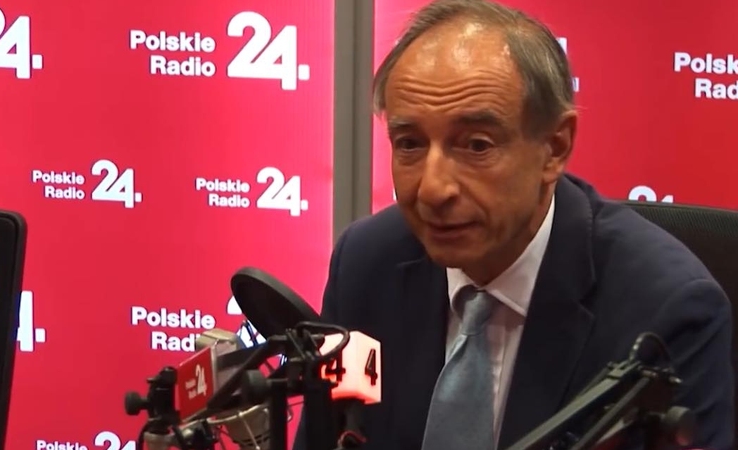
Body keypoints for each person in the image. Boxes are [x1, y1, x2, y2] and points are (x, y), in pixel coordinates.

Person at [294, 0, 734, 449]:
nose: (433, 189)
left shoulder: (666, 312)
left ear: (554, 148)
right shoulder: (367, 263)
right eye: (409, 144)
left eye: (476, 145)